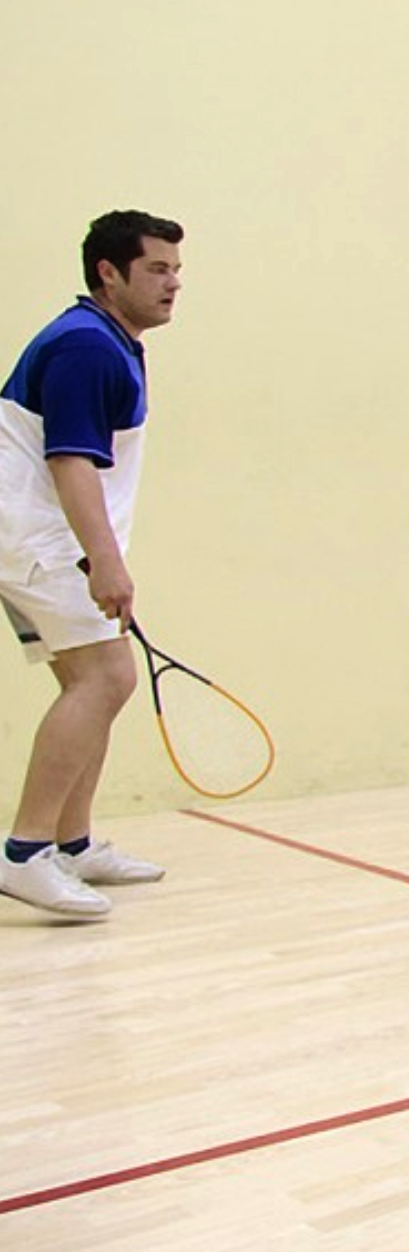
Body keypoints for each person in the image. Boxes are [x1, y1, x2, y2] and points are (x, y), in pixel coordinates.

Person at [0, 210, 185, 920]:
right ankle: (24, 853)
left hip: (46, 539)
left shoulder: (108, 339)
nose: (173, 284)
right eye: (156, 269)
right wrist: (105, 564)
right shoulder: (85, 346)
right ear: (109, 273)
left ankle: (70, 845)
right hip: (37, 540)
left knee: (94, 683)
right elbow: (70, 461)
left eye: (176, 270)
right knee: (107, 678)